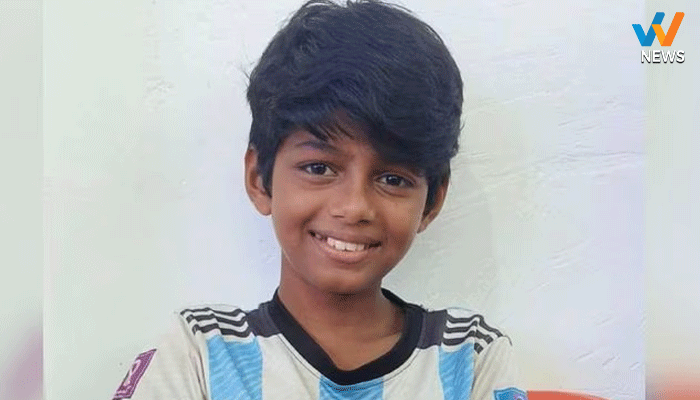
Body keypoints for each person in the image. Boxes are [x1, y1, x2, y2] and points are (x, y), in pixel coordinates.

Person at [112, 1, 527, 399]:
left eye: (392, 179)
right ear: (259, 179)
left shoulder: (469, 357)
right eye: (318, 168)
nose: (354, 207)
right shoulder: (199, 353)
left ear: (432, 201)